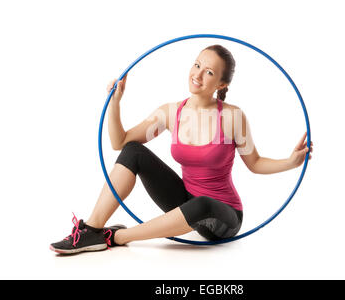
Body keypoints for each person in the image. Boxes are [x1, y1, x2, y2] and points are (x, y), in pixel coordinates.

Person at [50, 45, 313, 254]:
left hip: (223, 215)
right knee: (133, 151)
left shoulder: (232, 117)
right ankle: (91, 230)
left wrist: (291, 162)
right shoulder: (171, 112)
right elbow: (120, 143)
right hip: (184, 202)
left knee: (203, 203)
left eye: (209, 72)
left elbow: (255, 163)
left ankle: (117, 236)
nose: (197, 75)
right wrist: (115, 103)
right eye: (197, 65)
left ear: (221, 84)